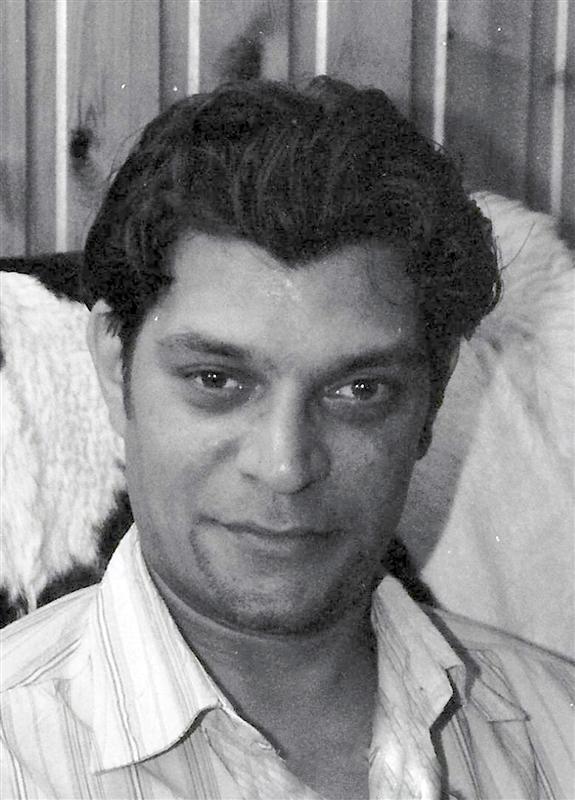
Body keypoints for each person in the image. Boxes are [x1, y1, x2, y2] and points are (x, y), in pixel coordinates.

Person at [1, 78, 573, 800]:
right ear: (116, 370)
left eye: (358, 391)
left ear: (431, 399)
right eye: (217, 380)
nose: (285, 465)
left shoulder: (559, 732)